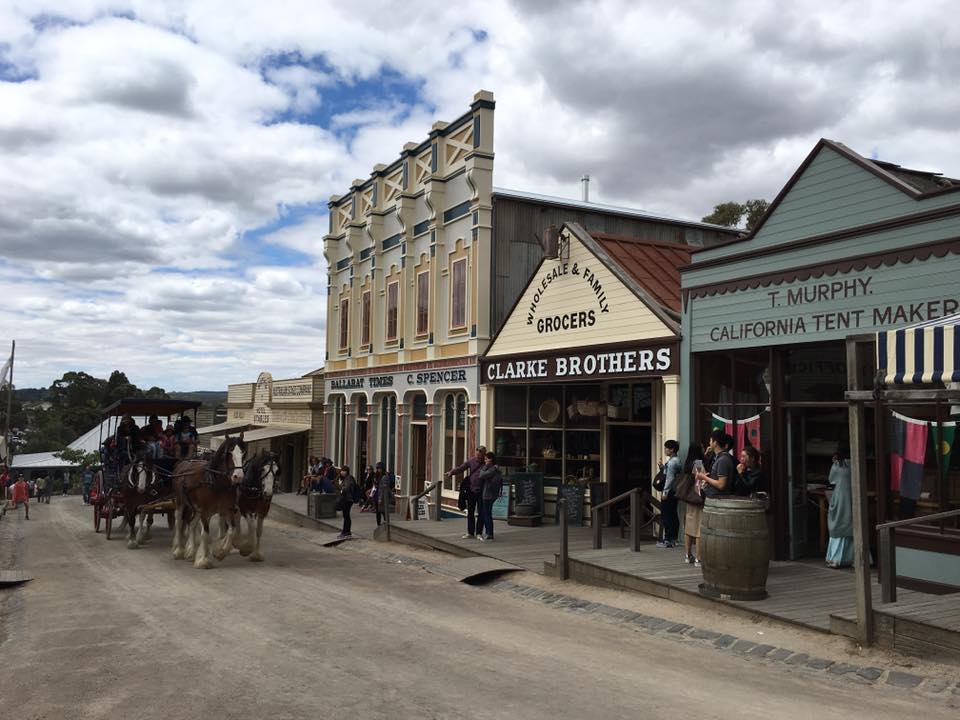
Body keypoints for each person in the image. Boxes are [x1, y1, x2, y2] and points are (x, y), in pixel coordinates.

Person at [444, 445, 486, 539]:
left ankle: (479, 532)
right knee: (470, 511)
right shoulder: (471, 461)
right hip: (471, 489)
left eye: (480, 455)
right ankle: (470, 532)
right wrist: (451, 472)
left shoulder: (486, 463)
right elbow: (461, 468)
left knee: (481, 512)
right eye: (477, 454)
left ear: (483, 455)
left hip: (482, 491)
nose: (478, 457)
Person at [825, 446, 853, 568]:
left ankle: (836, 559)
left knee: (837, 529)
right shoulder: (855, 465)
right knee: (852, 529)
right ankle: (853, 558)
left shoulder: (837, 466)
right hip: (852, 500)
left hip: (840, 500)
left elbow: (831, 484)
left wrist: (830, 500)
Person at [682, 442, 706, 567]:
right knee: (698, 529)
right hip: (696, 498)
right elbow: (699, 482)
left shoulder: (688, 462)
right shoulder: (698, 463)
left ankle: (687, 555)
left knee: (689, 527)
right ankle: (699, 558)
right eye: (702, 447)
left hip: (688, 498)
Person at [695, 430, 735, 500]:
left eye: (710, 441)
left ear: (715, 443)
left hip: (718, 499)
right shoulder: (719, 458)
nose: (709, 443)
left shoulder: (722, 460)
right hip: (714, 499)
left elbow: (721, 485)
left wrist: (704, 477)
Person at [656, 440, 682, 548]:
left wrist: (665, 492)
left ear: (672, 450)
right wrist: (662, 467)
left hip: (670, 492)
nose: (665, 450)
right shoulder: (676, 460)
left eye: (666, 448)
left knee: (667, 515)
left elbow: (669, 478)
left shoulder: (672, 462)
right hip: (675, 491)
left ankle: (668, 539)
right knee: (673, 514)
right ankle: (674, 538)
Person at [478, 451, 504, 542]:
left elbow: (481, 475)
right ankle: (489, 533)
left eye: (486, 459)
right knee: (488, 513)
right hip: (494, 493)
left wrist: (486, 466)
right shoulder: (497, 469)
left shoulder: (492, 469)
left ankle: (489, 534)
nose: (485, 460)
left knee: (487, 514)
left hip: (488, 494)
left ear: (491, 459)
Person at [337, 465, 357, 539]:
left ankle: (346, 532)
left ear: (346, 472)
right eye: (342, 470)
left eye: (343, 471)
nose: (342, 472)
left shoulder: (349, 478)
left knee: (346, 516)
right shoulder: (345, 478)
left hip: (348, 499)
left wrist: (341, 487)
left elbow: (347, 488)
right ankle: (346, 532)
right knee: (346, 515)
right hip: (346, 499)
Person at [373, 461, 394, 527]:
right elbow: (376, 484)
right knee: (378, 511)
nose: (378, 470)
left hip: (382, 496)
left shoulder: (385, 476)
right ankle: (378, 524)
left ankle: (386, 523)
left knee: (383, 511)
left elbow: (384, 488)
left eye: (379, 468)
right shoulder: (377, 475)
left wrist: (380, 499)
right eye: (377, 468)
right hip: (377, 494)